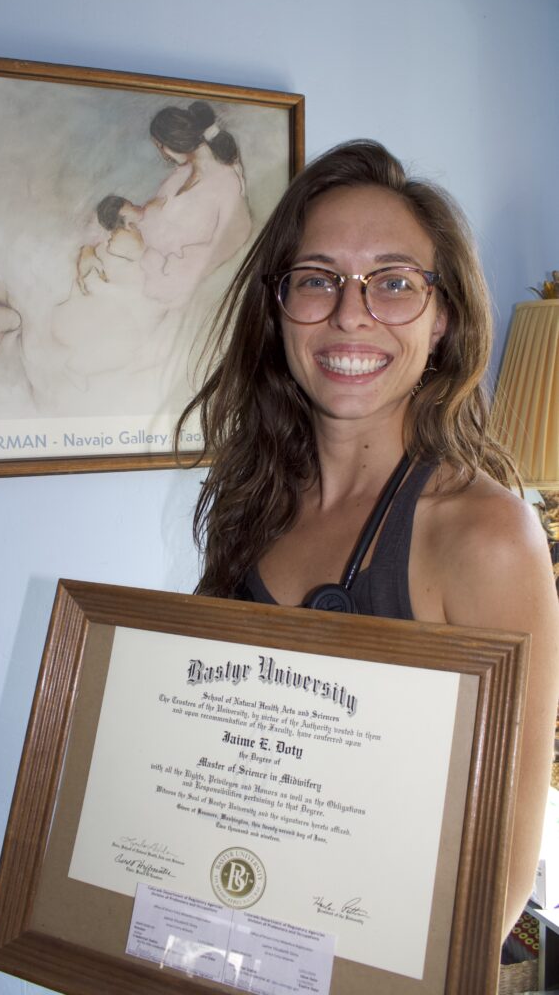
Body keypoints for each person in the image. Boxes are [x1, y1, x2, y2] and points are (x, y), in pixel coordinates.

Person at [176, 139, 559, 940]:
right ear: (277, 309)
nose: (350, 314)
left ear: (442, 315)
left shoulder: (485, 537)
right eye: (316, 280)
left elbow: (499, 880)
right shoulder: (250, 505)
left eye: (392, 283)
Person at [137, 100, 252, 307]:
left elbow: (233, 238)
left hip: (187, 282)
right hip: (159, 269)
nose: (163, 154)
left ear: (173, 141)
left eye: (160, 146)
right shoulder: (179, 176)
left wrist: (177, 268)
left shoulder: (226, 180)